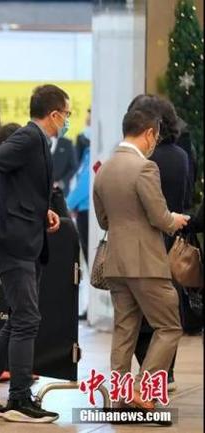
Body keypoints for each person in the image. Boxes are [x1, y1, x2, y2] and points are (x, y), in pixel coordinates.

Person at [0, 85, 68, 424]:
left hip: (25, 238)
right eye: (66, 115)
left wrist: (42, 212)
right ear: (54, 114)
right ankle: (19, 398)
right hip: (12, 242)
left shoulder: (37, 141)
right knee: (26, 319)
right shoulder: (28, 138)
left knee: (20, 318)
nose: (66, 121)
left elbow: (19, 186)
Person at [93, 108, 188, 416]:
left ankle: (120, 395)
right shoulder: (145, 168)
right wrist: (176, 220)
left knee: (124, 330)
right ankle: (142, 388)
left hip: (115, 263)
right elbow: (160, 217)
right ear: (149, 133)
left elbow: (104, 220)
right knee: (169, 326)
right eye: (155, 137)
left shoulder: (104, 169)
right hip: (146, 262)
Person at [127, 95, 191, 386]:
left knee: (139, 317)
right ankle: (167, 373)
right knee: (167, 312)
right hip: (172, 241)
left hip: (145, 243)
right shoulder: (181, 155)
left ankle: (150, 376)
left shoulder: (145, 161)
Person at [66, 145, 90, 264]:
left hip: (87, 210)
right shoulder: (87, 152)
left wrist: (68, 205)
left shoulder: (91, 154)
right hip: (82, 209)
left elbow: (85, 185)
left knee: (89, 253)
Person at [50, 123, 77, 196]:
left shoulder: (67, 143)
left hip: (61, 192)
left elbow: (73, 167)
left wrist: (61, 183)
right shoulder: (39, 142)